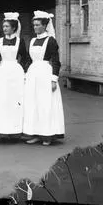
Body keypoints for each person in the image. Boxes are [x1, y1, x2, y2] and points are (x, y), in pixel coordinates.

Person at [23, 11, 65, 146]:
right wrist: (25, 74)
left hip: (45, 74)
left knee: (45, 104)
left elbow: (56, 61)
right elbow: (29, 60)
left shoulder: (51, 41)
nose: (35, 27)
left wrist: (54, 79)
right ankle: (35, 133)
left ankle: (47, 135)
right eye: (34, 25)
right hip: (32, 74)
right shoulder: (33, 40)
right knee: (33, 104)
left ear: (45, 26)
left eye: (37, 25)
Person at [0, 12, 28, 141]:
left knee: (14, 101)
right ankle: (2, 130)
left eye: (7, 26)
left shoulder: (20, 41)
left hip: (15, 73)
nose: (4, 28)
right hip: (2, 73)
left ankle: (14, 130)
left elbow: (25, 57)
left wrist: (22, 70)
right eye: (3, 26)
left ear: (13, 28)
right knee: (2, 100)